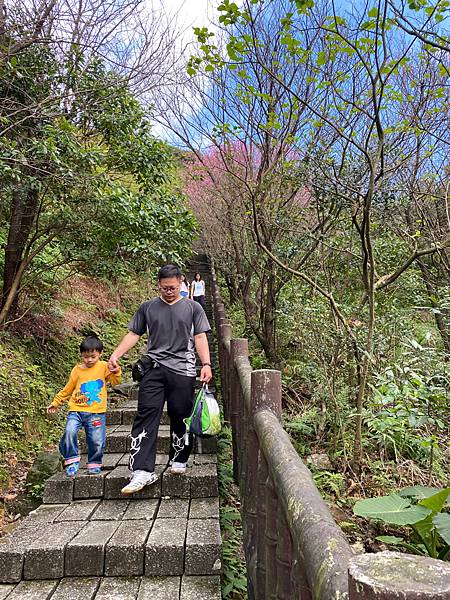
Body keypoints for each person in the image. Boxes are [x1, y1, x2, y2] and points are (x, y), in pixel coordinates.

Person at [108, 264, 212, 495]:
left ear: (181, 283)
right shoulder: (148, 308)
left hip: (183, 370)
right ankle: (142, 470)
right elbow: (134, 333)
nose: (168, 292)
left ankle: (179, 457)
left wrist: (205, 364)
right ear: (158, 285)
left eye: (173, 288)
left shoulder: (193, 308)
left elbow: (200, 336)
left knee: (180, 414)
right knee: (146, 414)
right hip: (153, 368)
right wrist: (116, 354)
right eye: (164, 288)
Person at [47, 335, 122, 476]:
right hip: (76, 410)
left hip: (96, 412)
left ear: (100, 354)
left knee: (96, 439)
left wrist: (116, 371)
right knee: (69, 432)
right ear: (81, 354)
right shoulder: (77, 370)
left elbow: (115, 381)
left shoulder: (104, 367)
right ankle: (72, 460)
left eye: (93, 356)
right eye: (86, 356)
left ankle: (94, 463)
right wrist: (56, 402)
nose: (89, 360)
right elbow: (68, 388)